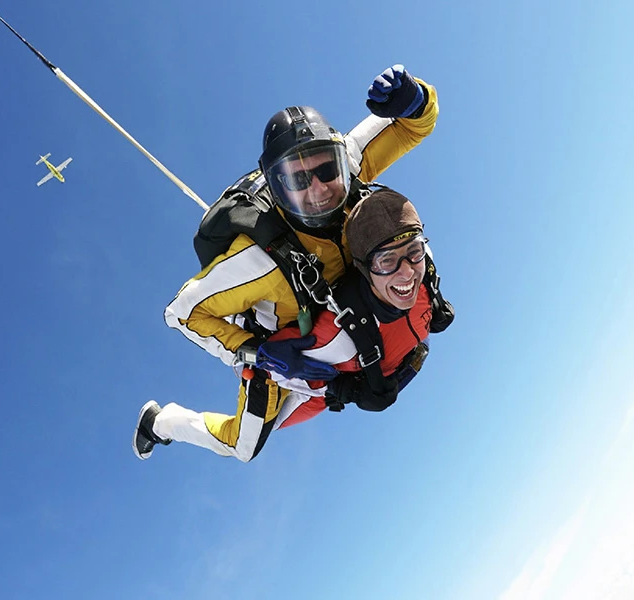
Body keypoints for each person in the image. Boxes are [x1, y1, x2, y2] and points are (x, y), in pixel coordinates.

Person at [136, 66, 448, 461]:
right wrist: (253, 351)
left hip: (340, 316)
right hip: (284, 351)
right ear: (276, 187)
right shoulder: (257, 263)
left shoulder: (348, 168)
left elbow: (411, 126)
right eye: (296, 181)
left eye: (324, 170)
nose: (318, 190)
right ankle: (161, 422)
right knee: (244, 446)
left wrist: (415, 97)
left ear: (339, 160)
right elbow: (182, 314)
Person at [135, 187, 440, 461]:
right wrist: (342, 390)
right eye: (387, 261)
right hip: (274, 365)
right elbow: (283, 369)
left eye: (414, 253)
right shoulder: (334, 334)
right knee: (244, 446)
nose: (407, 272)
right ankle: (161, 422)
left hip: (341, 355)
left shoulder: (423, 276)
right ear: (364, 264)